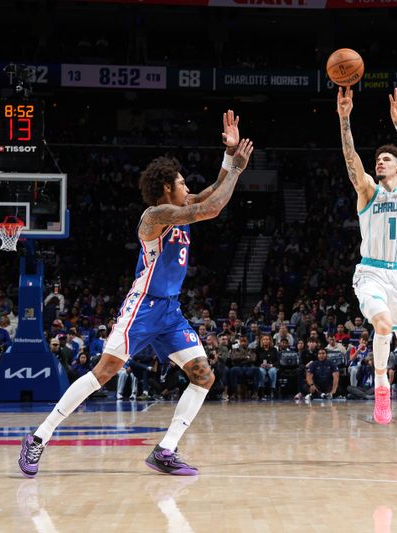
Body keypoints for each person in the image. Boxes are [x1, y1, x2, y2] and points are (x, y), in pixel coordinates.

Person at [19, 110, 254, 477]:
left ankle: (165, 450)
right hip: (142, 307)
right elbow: (212, 206)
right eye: (181, 183)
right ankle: (38, 438)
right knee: (104, 371)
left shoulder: (180, 206)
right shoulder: (156, 215)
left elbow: (208, 194)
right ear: (166, 189)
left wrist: (228, 155)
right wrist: (238, 169)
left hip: (169, 311)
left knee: (203, 374)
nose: (186, 188)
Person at [337, 86, 397, 459]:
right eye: (380, 160)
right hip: (371, 273)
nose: (381, 163)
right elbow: (351, 160)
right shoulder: (368, 192)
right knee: (383, 325)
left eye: (387, 159)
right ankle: (380, 389)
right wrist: (344, 118)